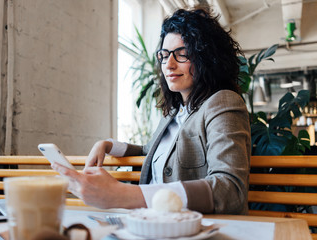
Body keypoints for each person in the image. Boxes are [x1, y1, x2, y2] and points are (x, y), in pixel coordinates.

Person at [52, 8, 251, 214]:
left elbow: (230, 189)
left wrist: (123, 195)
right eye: (164, 55)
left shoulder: (222, 102)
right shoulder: (173, 114)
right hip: (154, 223)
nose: (169, 65)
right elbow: (150, 152)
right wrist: (108, 145)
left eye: (182, 54)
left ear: (207, 57)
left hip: (196, 227)